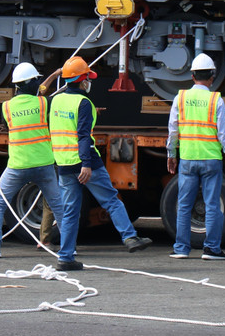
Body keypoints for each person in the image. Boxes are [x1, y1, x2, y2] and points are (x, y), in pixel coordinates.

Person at [50, 56, 151, 271]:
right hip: (87, 164)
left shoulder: (55, 101)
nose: (89, 82)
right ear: (81, 80)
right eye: (88, 78)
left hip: (64, 164)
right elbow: (83, 136)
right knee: (112, 201)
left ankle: (65, 257)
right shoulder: (84, 103)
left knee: (69, 213)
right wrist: (86, 163)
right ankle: (130, 238)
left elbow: (61, 120)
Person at [0, 62, 65, 259]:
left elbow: (37, 90)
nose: (38, 83)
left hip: (17, 166)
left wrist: (52, 75)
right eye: (35, 80)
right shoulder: (44, 104)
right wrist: (55, 75)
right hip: (44, 165)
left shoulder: (7, 108)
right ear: (29, 83)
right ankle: (69, 248)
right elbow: (41, 92)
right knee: (58, 206)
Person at [167, 53, 225, 260]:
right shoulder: (216, 100)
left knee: (184, 204)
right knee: (212, 205)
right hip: (211, 160)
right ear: (212, 77)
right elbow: (224, 134)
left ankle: (181, 248)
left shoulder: (179, 98)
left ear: (192, 76)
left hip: (188, 159)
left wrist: (171, 154)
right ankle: (211, 249)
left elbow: (173, 130)